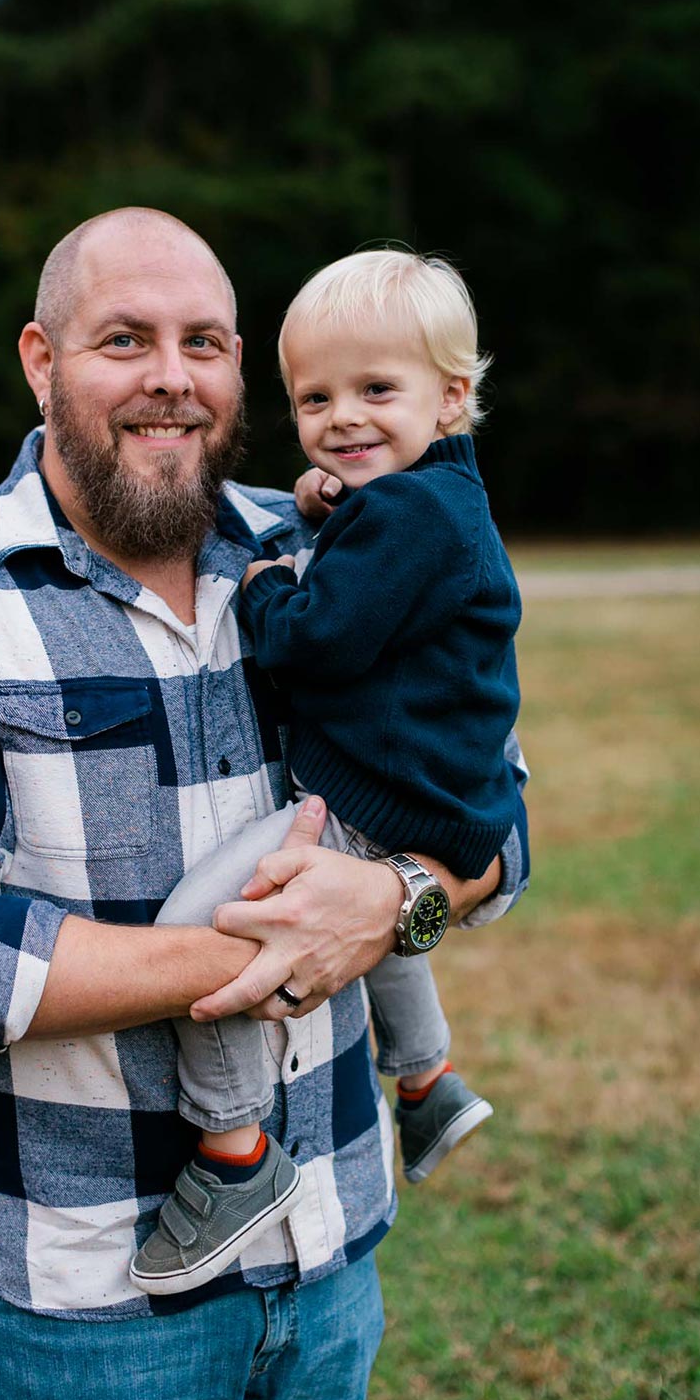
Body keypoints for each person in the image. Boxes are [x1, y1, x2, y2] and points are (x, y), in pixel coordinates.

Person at [0, 208, 529, 1400]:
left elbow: (499, 813)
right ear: (40, 360)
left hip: (329, 1259)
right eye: (124, 341)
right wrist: (273, 947)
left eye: (204, 342)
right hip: (78, 1301)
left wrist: (395, 901)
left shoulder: (315, 546)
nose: (170, 379)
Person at [128, 248, 518, 1298]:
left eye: (373, 391)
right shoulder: (437, 494)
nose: (341, 418)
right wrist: (324, 497)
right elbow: (372, 528)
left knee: (205, 929)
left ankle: (234, 1153)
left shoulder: (399, 517)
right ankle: (428, 1079)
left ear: (452, 395)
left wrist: (261, 586)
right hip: (441, 799)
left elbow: (317, 642)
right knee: (377, 918)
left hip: (371, 794)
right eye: (314, 398)